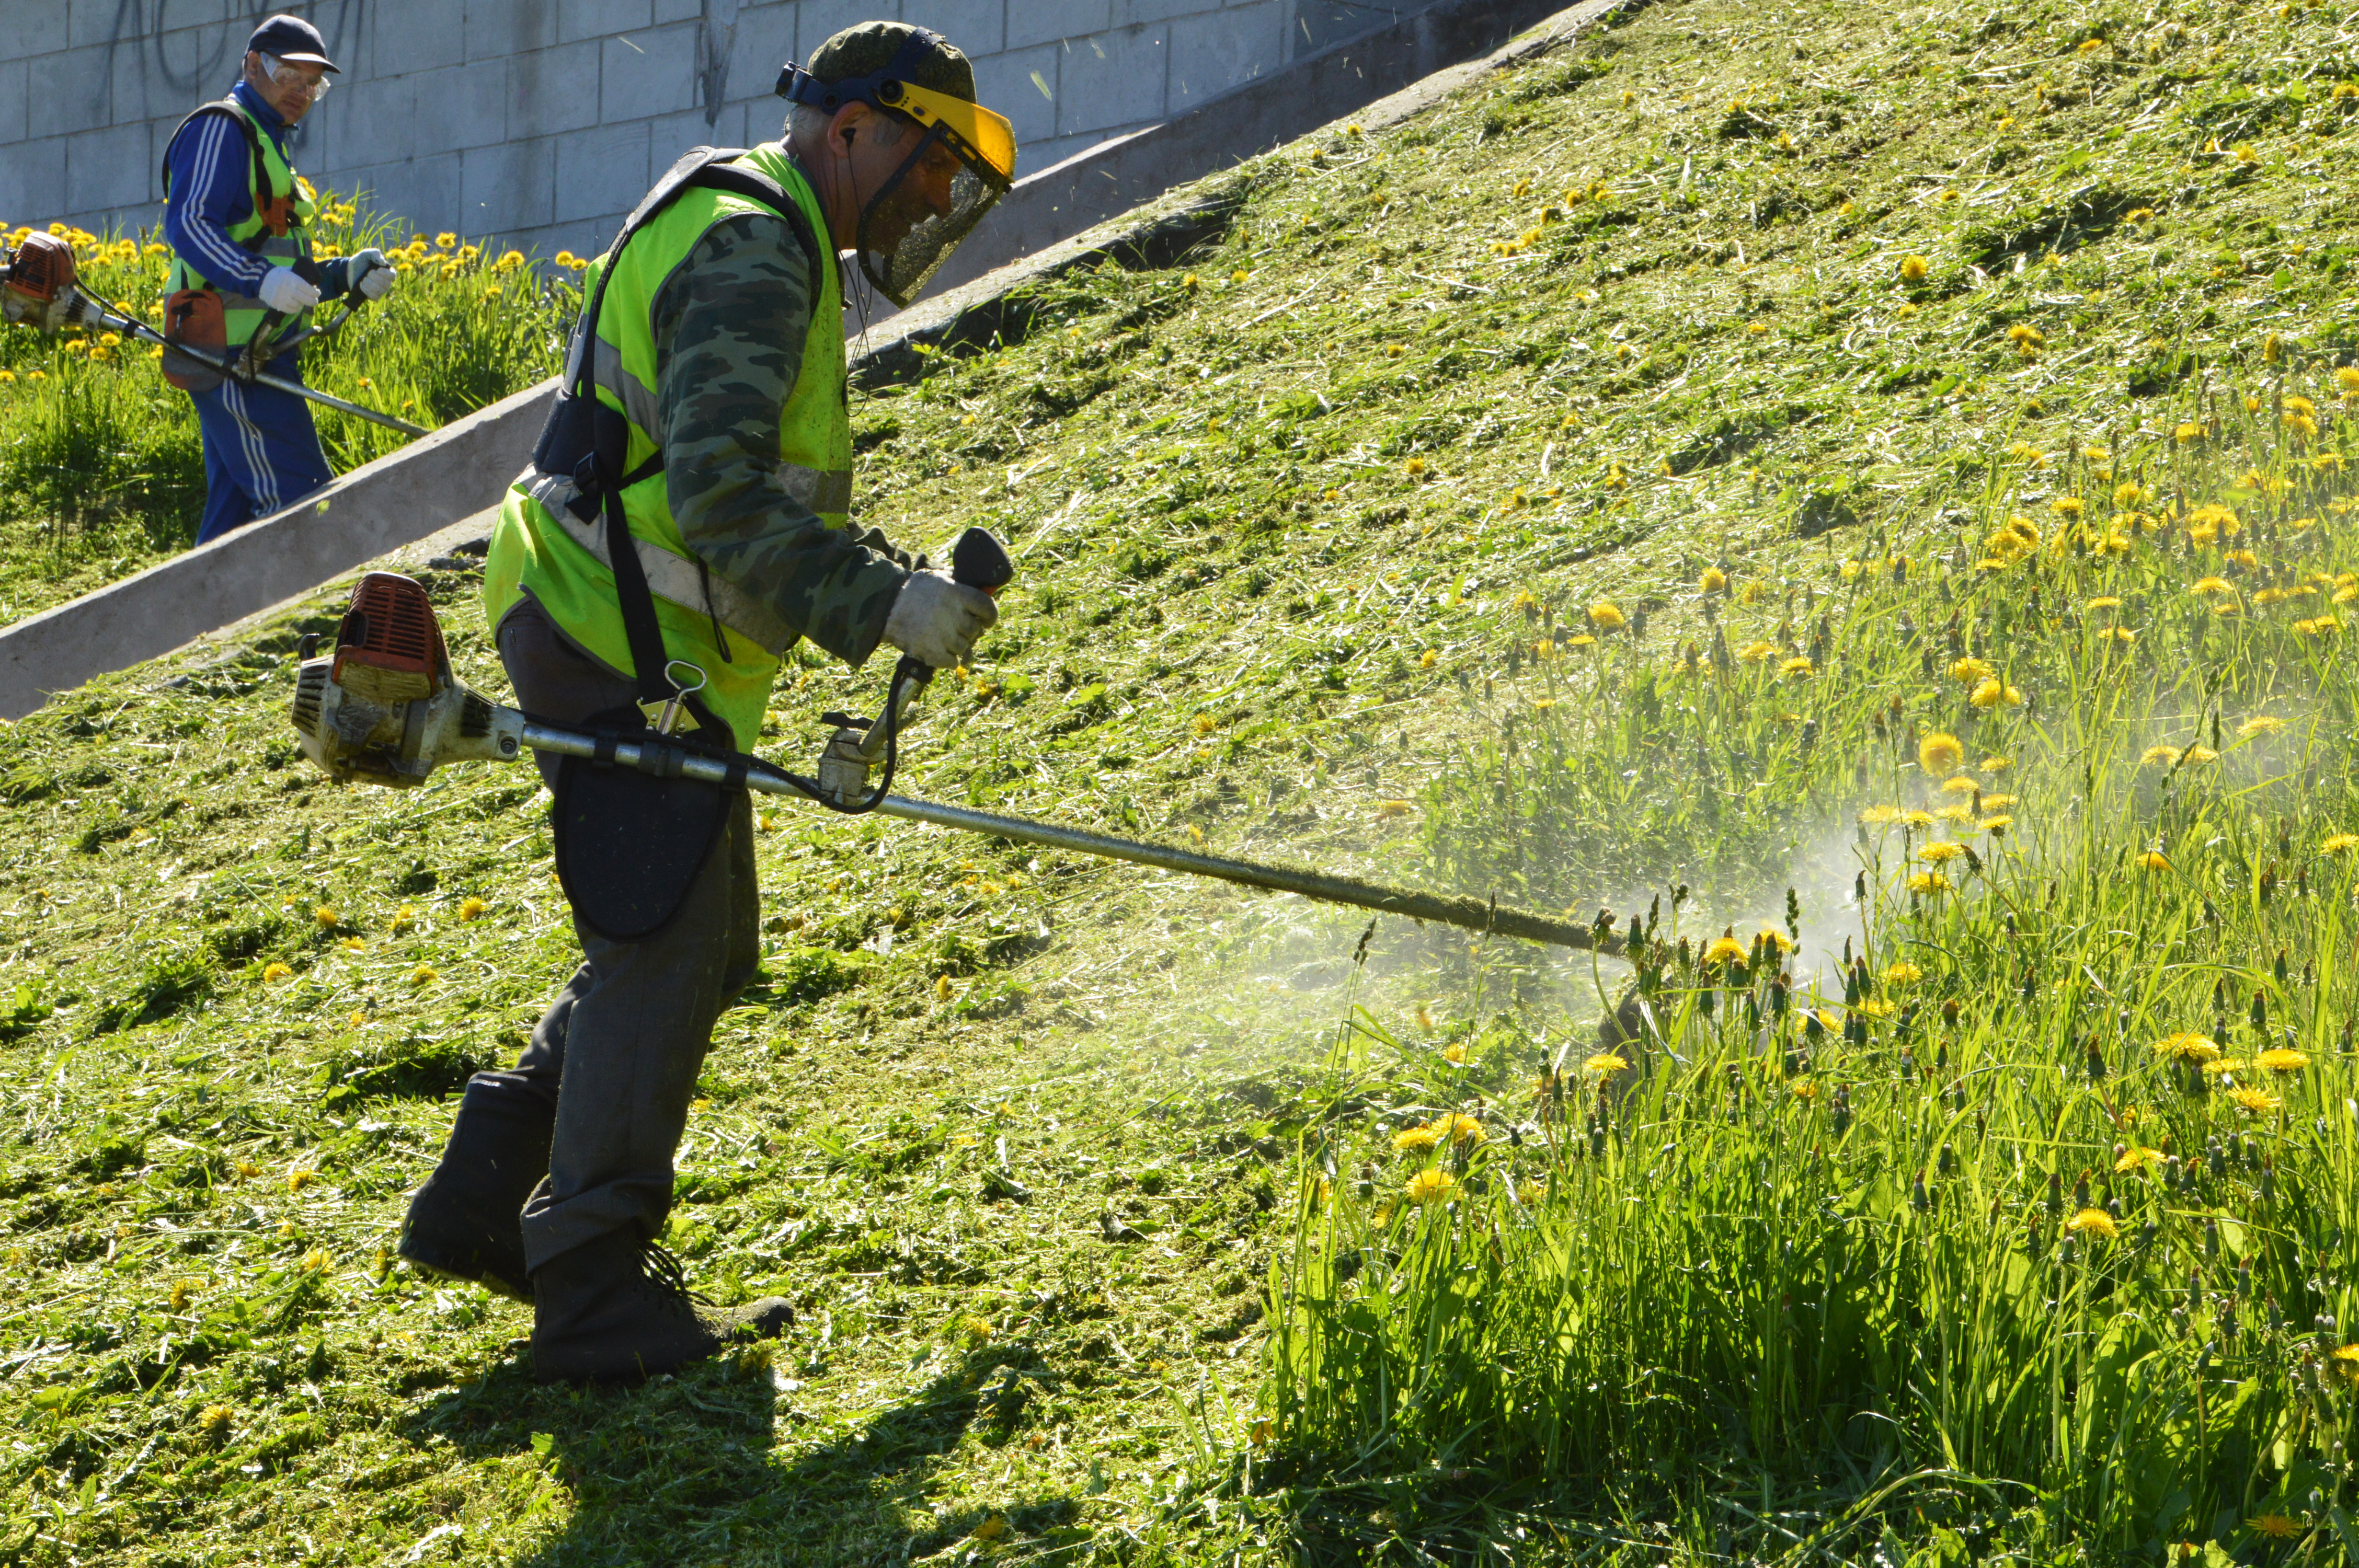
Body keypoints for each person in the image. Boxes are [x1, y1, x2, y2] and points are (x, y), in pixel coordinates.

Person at [396, 21, 1018, 1385]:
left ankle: (487, 1201)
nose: (929, 202)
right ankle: (593, 1288)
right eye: (924, 164)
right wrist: (882, 604)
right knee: (664, 938)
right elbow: (723, 499)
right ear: (848, 126)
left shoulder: (754, 217)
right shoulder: (755, 245)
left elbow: (731, 485)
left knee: (701, 931)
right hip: (608, 630)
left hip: (622, 628)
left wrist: (869, 579)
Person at [160, 14, 394, 546]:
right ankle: (303, 629)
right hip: (233, 357)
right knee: (301, 506)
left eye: (314, 83)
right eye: (290, 74)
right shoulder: (224, 127)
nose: (303, 92)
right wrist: (261, 280)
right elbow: (190, 224)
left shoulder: (268, 142)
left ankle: (203, 628)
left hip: (253, 354)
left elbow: (275, 256)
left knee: (233, 527)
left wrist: (344, 276)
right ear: (252, 65)